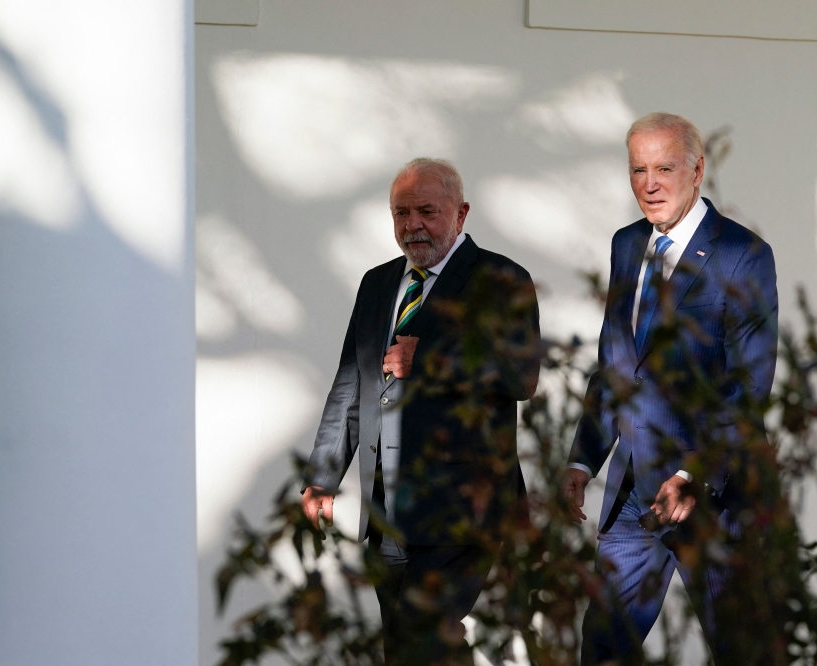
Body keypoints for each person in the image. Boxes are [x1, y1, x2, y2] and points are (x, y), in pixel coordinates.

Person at [302, 158, 540, 665]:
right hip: (387, 512)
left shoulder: (500, 279)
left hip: (462, 511)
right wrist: (322, 476)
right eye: (401, 212)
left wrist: (429, 362)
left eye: (427, 211)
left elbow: (521, 376)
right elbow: (351, 383)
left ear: (461, 213)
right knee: (406, 651)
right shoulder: (377, 284)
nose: (413, 225)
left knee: (425, 644)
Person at [562, 113, 778, 662]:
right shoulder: (627, 245)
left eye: (664, 168)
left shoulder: (743, 255)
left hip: (708, 495)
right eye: (638, 169)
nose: (650, 183)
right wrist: (583, 461)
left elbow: (749, 385)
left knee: (740, 648)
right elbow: (616, 362)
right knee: (604, 647)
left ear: (698, 170)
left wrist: (692, 474)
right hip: (631, 492)